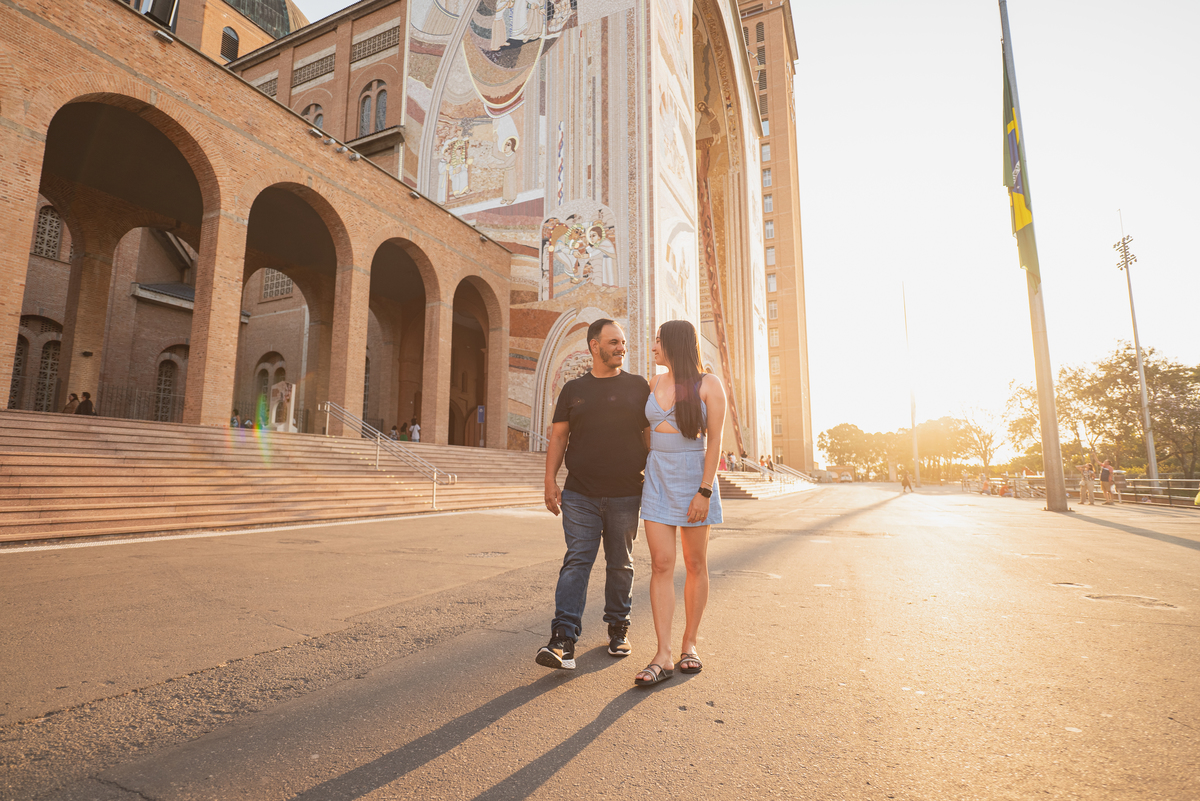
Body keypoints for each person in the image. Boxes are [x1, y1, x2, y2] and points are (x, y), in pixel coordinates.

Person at [538, 319, 651, 671]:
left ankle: (618, 628)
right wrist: (549, 482)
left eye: (623, 343)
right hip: (580, 494)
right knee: (577, 561)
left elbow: (650, 439)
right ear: (594, 346)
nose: (621, 348)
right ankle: (562, 639)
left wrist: (656, 480)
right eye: (614, 342)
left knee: (621, 564)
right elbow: (558, 437)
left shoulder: (638, 386)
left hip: (626, 493)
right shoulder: (573, 390)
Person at [635, 319, 726, 687]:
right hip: (657, 477)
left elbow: (716, 441)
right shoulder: (654, 383)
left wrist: (704, 490)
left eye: (658, 341)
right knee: (660, 563)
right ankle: (663, 653)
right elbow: (644, 433)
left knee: (694, 562)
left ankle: (690, 644)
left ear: (674, 343)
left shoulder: (708, 384)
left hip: (694, 479)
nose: (653, 347)